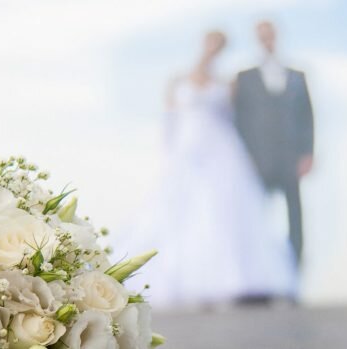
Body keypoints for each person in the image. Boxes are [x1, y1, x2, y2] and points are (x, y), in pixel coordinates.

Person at [120, 30, 294, 309]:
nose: (213, 49)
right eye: (211, 43)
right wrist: (168, 155)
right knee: (177, 212)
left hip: (221, 150)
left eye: (219, 45)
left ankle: (233, 281)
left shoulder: (227, 84)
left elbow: (238, 121)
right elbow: (169, 120)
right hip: (184, 151)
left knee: (222, 210)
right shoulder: (177, 80)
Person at [233, 20, 315, 283]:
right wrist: (244, 156)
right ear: (257, 38)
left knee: (295, 218)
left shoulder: (297, 76)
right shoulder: (244, 78)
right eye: (262, 36)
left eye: (270, 35)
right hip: (258, 159)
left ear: (277, 37)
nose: (267, 40)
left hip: (290, 158)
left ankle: (294, 276)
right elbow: (240, 120)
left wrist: (307, 153)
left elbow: (307, 117)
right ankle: (257, 276)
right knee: (256, 218)